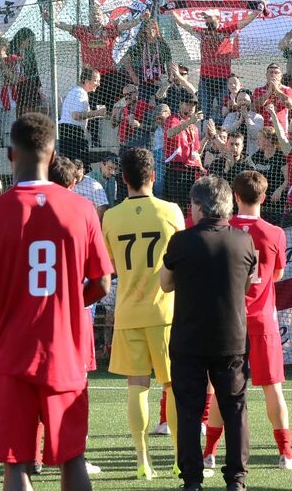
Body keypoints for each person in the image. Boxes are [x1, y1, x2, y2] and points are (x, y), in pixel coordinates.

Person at [0, 113, 113, 491]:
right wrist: (66, 305)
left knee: (16, 463)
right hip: (64, 351)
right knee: (72, 457)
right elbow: (102, 284)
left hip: (12, 350)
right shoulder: (81, 209)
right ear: (52, 153)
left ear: (11, 155)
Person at [202, 171, 292, 471]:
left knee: (223, 388)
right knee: (273, 388)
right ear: (263, 197)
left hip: (228, 320)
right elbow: (277, 274)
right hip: (261, 321)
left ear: (235, 197)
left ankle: (209, 453)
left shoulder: (222, 229)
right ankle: (286, 454)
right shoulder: (274, 232)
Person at [161, 176, 257, 491]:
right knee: (235, 409)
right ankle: (237, 480)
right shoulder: (244, 241)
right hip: (230, 339)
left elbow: (165, 284)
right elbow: (246, 286)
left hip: (188, 339)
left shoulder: (181, 241)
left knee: (189, 411)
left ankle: (191, 481)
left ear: (199, 207)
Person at [101, 147, 184, 480]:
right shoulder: (171, 211)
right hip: (165, 311)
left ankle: (142, 460)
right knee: (173, 386)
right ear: (153, 176)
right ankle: (180, 458)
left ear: (123, 178)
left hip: (128, 311)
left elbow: (110, 264)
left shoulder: (110, 217)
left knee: (137, 386)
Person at [46, 5, 146, 122]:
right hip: (90, 75)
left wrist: (140, 19)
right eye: (93, 15)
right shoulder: (82, 31)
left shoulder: (108, 31)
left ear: (103, 17)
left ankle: (118, 116)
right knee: (91, 104)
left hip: (109, 73)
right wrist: (49, 19)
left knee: (123, 88)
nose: (95, 17)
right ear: (89, 18)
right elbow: (64, 26)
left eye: (98, 14)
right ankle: (94, 135)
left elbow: (125, 26)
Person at [170, 4, 263, 123]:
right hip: (205, 79)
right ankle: (204, 133)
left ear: (217, 18)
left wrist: (257, 11)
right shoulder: (202, 32)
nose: (207, 20)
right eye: (205, 18)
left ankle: (219, 135)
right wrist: (172, 10)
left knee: (221, 109)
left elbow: (244, 23)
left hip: (224, 79)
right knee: (204, 110)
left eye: (209, 17)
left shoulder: (227, 30)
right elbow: (183, 24)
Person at [58, 68, 107, 165]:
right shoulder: (80, 93)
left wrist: (96, 115)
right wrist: (97, 113)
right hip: (72, 133)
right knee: (81, 166)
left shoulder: (76, 92)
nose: (98, 84)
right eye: (96, 80)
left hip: (69, 132)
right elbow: (76, 115)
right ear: (86, 81)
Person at [163, 98, 205, 209]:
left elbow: (196, 152)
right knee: (177, 207)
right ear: (180, 104)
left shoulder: (194, 127)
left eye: (193, 105)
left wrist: (208, 138)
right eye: (188, 104)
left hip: (191, 172)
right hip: (176, 170)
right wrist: (189, 122)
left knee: (191, 207)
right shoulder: (173, 119)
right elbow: (170, 133)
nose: (191, 107)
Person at [124, 16, 176, 100]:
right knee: (144, 106)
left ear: (156, 30)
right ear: (145, 31)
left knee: (160, 103)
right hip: (144, 81)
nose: (151, 31)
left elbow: (169, 62)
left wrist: (170, 78)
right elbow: (126, 60)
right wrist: (133, 75)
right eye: (148, 28)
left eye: (153, 28)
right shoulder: (140, 45)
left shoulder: (163, 45)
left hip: (159, 80)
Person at [252, 64, 292, 135]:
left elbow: (290, 105)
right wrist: (268, 93)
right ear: (266, 75)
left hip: (281, 130)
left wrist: (277, 90)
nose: (273, 75)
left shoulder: (287, 90)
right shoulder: (258, 90)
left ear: (281, 76)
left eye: (276, 72)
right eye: (271, 72)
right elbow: (254, 106)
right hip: (263, 130)